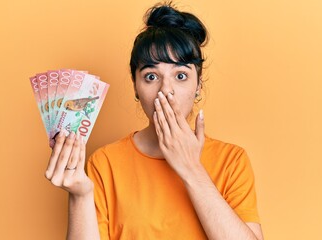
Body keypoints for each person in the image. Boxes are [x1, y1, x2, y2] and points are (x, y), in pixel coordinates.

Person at [45, 2, 264, 240]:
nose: (166, 90)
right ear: (136, 87)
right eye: (151, 76)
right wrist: (81, 195)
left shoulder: (231, 161)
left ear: (198, 85)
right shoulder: (104, 163)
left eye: (181, 76)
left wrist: (191, 168)